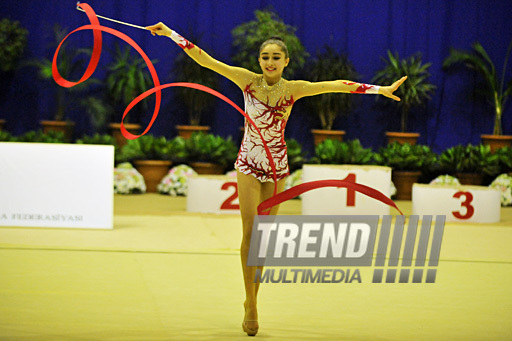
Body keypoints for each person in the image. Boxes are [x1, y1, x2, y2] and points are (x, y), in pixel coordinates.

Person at [145, 22, 407, 336]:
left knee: (263, 239)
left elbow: (338, 84)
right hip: (249, 163)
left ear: (286, 62)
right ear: (259, 61)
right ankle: (251, 304)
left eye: (276, 57)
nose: (270, 62)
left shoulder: (294, 88)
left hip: (277, 166)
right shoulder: (247, 81)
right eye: (265, 57)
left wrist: (381, 90)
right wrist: (171, 34)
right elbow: (207, 61)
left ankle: (253, 298)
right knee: (250, 232)